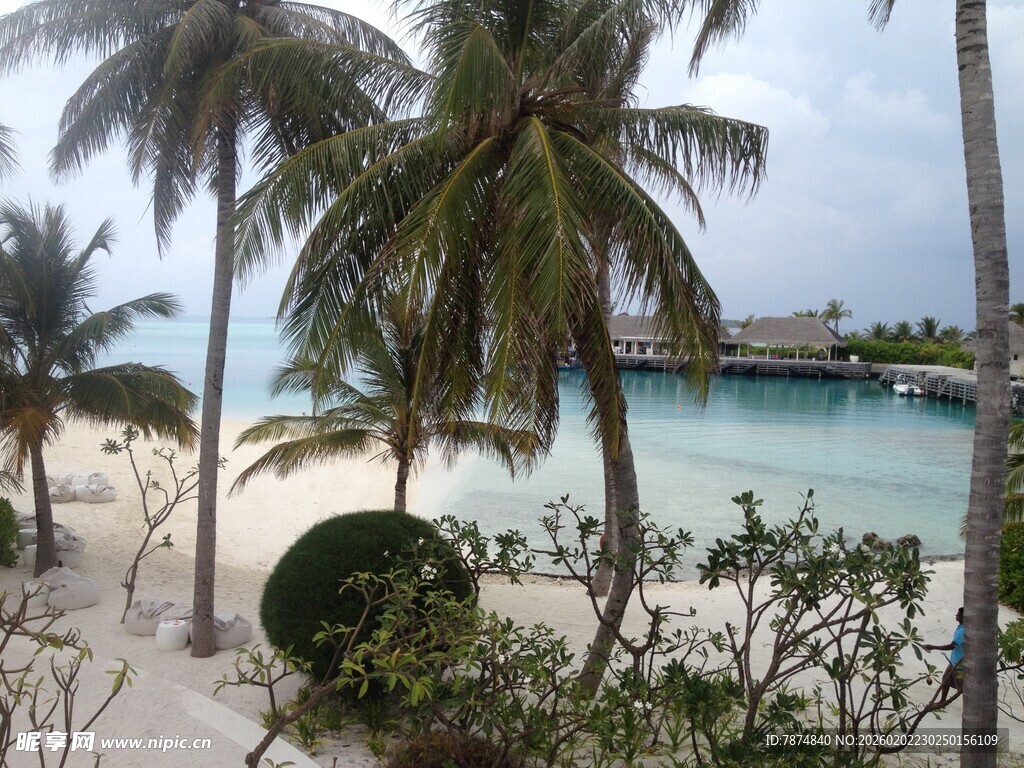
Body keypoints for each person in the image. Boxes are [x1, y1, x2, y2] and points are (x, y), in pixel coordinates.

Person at [924, 606, 964, 703]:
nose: (956, 615)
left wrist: (933, 647)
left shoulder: (963, 631)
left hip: (960, 664)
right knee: (945, 679)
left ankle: (970, 709)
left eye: (958, 614)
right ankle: (942, 701)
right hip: (954, 661)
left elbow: (952, 646)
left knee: (962, 689)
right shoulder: (961, 627)